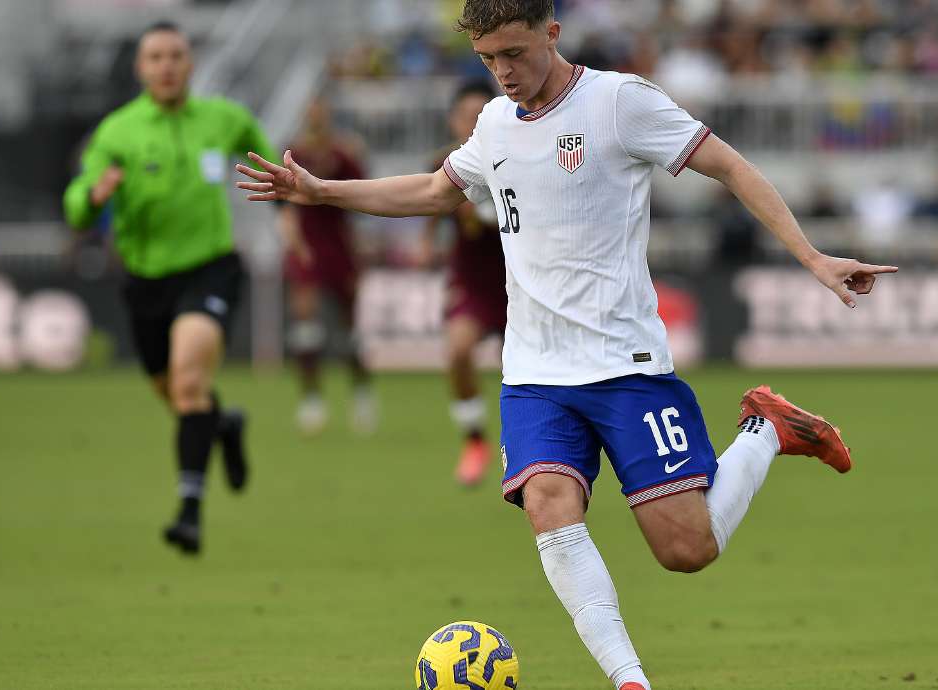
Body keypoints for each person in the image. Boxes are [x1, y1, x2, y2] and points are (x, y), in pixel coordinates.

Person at [236, 2, 897, 688]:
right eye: (488, 59)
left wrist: (813, 258)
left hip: (625, 367)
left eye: (515, 53)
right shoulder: (493, 123)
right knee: (550, 506)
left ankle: (767, 429)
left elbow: (731, 168)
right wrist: (320, 191)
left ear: (551, 34)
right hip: (534, 374)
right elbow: (437, 191)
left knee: (686, 550)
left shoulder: (619, 103)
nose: (503, 73)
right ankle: (631, 680)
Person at [63, 21, 281, 556]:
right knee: (181, 397)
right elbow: (74, 208)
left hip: (210, 269)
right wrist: (95, 195)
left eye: (176, 56)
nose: (166, 66)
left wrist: (286, 201)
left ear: (191, 63)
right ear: (141, 68)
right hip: (145, 281)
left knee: (187, 383)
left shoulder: (223, 118)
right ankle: (224, 424)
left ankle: (189, 511)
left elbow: (268, 156)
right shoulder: (118, 132)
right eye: (155, 57)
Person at [420, 81, 508, 485]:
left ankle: (528, 449)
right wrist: (426, 244)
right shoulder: (445, 165)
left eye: (480, 115)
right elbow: (431, 208)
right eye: (465, 116)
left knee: (525, 373)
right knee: (457, 353)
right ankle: (474, 441)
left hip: (519, 285)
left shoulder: (516, 155)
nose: (473, 124)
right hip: (471, 281)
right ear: (454, 120)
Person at [278, 99, 377, 436]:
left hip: (339, 247)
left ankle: (362, 392)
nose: (316, 119)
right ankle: (311, 399)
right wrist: (294, 244)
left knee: (349, 330)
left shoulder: (343, 153)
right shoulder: (294, 155)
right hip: (307, 248)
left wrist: (359, 250)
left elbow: (362, 198)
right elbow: (284, 206)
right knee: (305, 323)